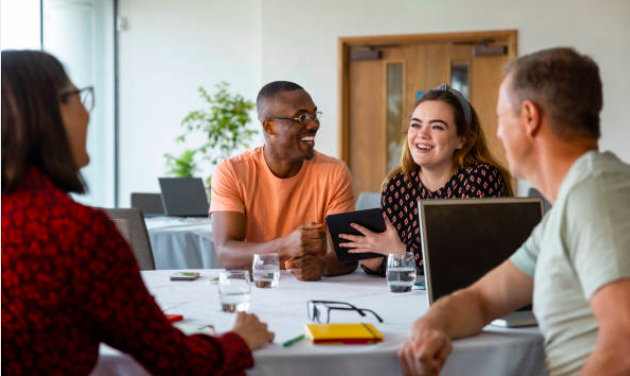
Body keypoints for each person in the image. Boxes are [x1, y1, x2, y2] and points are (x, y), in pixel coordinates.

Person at [1, 50, 274, 375]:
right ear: (47, 112)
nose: (88, 115)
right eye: (78, 98)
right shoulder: (74, 231)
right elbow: (171, 360)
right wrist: (238, 341)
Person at [398, 47, 630, 376]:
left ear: (529, 118)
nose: (498, 134)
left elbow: (624, 347)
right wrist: (430, 326)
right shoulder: (569, 208)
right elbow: (481, 300)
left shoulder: (597, 197)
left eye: (500, 118)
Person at [339, 84, 512, 275]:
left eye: (437, 127)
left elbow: (471, 261)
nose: (422, 134)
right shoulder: (397, 184)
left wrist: (398, 252)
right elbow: (395, 268)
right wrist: (375, 261)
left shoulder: (481, 178)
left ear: (462, 140)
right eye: (416, 124)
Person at [210, 81, 357, 281]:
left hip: (312, 291)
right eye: (302, 117)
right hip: (256, 289)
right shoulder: (231, 172)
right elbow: (226, 253)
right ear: (269, 126)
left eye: (314, 115)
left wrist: (321, 266)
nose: (314, 124)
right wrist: (286, 246)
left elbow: (348, 256)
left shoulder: (334, 172)